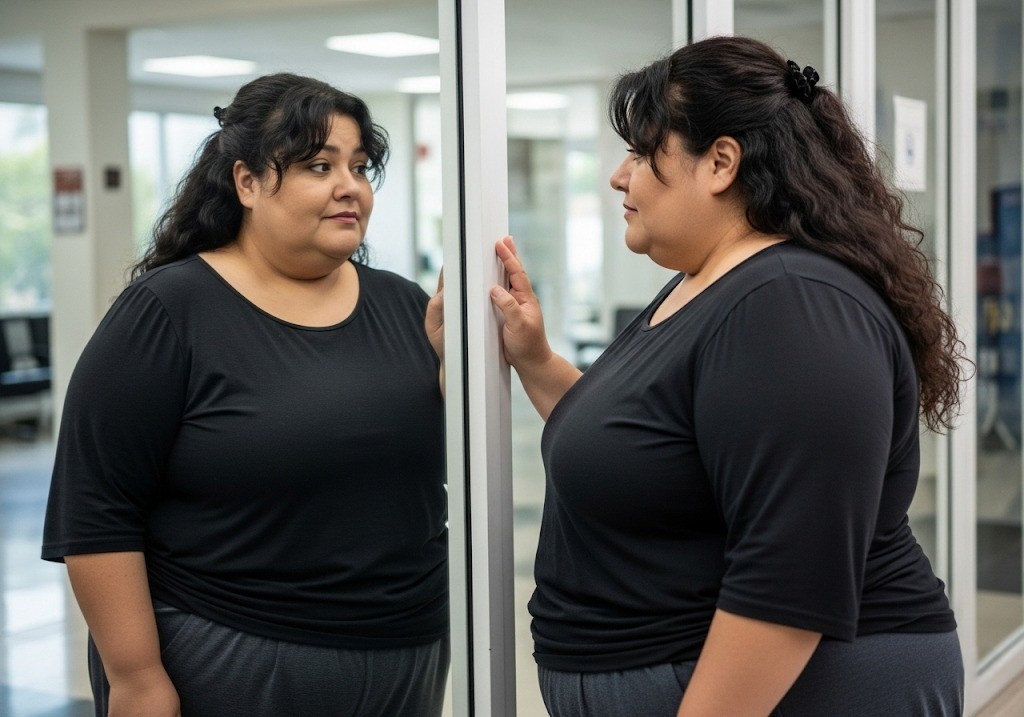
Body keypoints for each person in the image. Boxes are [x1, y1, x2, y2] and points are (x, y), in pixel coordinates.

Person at [487, 36, 967, 716]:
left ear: (719, 162)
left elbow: (786, 587)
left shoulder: (793, 307)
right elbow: (646, 452)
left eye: (640, 151)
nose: (619, 177)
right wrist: (534, 358)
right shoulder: (708, 285)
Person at [42, 73, 448, 717]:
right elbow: (95, 513)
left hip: (405, 652)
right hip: (229, 655)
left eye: (360, 167)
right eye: (319, 165)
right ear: (247, 182)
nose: (350, 186)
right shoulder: (168, 311)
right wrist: (137, 679)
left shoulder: (404, 305)